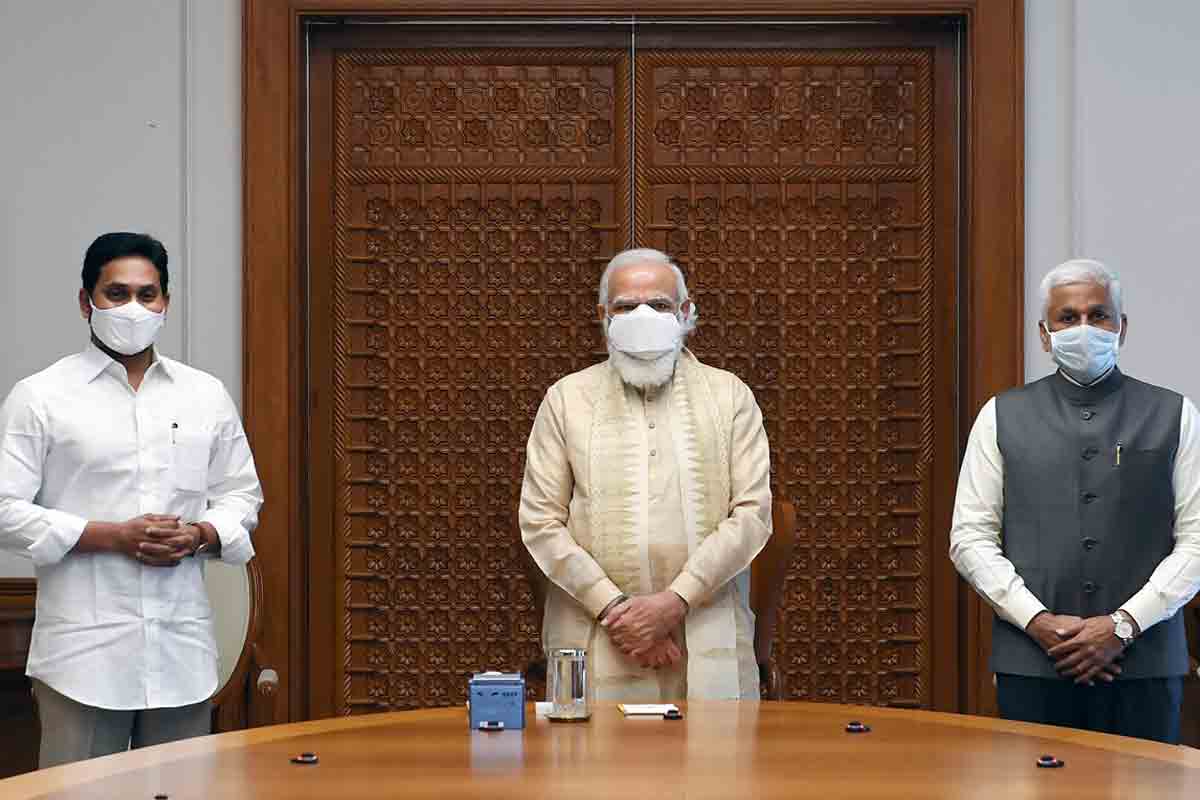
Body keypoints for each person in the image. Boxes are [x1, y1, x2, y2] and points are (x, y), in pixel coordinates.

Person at [0, 232, 264, 767]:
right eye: (116, 294)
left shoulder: (204, 394)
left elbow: (242, 494)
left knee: (182, 791)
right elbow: (4, 509)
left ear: (166, 302)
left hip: (180, 650)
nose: (133, 309)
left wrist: (199, 534)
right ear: (86, 302)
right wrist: (111, 536)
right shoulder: (41, 396)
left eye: (147, 295)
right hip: (83, 657)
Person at [950, 258, 1200, 743]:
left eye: (1098, 315)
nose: (1083, 328)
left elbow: (1195, 540)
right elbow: (969, 539)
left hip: (1145, 666)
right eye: (1067, 317)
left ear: (1121, 327)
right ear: (1045, 335)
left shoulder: (1176, 413)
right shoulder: (999, 415)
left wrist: (1123, 625)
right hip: (1035, 663)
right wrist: (1038, 622)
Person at [519, 248, 772, 700]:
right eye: (625, 307)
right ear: (604, 316)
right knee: (589, 749)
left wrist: (674, 603)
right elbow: (540, 522)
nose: (643, 317)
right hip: (598, 636)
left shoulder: (730, 396)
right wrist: (617, 611)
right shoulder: (566, 399)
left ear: (686, 313)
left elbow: (752, 515)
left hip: (705, 633)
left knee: (717, 748)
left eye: (658, 305)